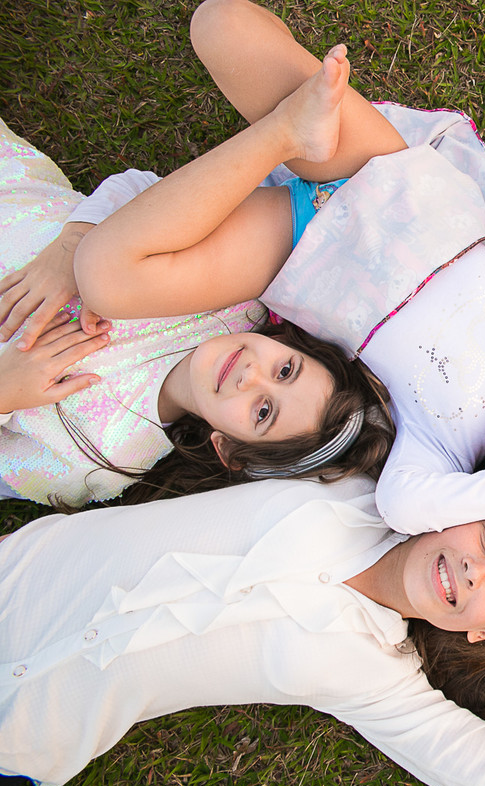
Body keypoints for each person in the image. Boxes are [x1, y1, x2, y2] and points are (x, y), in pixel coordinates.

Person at [61, 0, 485, 543]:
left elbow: (402, 507)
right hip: (395, 191)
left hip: (309, 257)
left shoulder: (447, 455)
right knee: (221, 22)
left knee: (107, 279)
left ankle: (276, 141)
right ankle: (283, 137)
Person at [0, 476, 485, 786]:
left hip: (20, 738)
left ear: (484, 631)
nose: (475, 569)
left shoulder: (379, 678)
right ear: (462, 509)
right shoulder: (356, 488)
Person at [0, 120, 392, 506]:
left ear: (229, 449)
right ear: (291, 343)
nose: (251, 376)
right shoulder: (232, 292)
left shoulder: (106, 458)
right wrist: (71, 245)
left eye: (263, 411)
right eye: (285, 370)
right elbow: (140, 189)